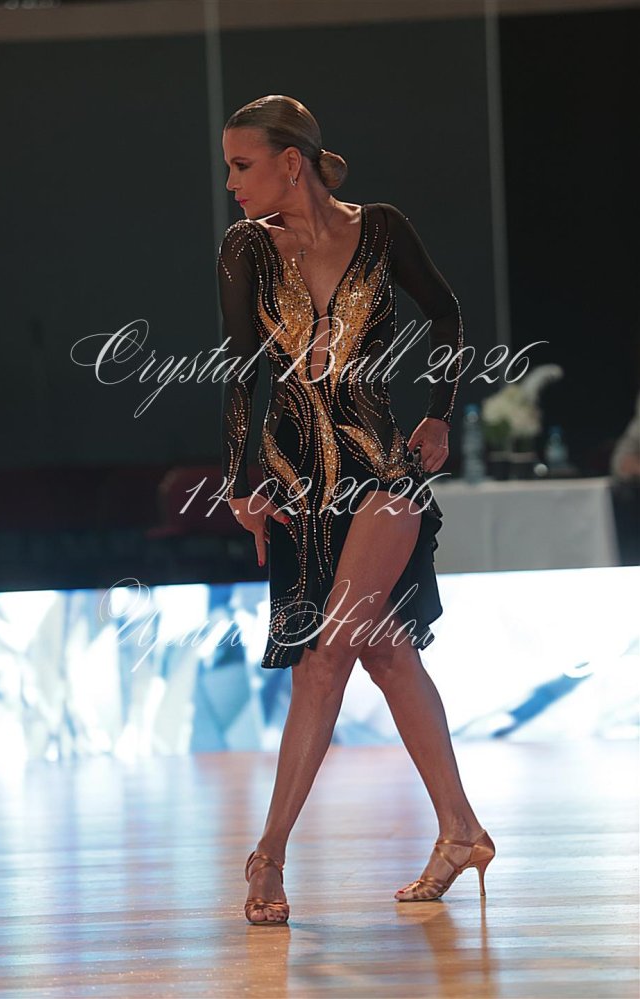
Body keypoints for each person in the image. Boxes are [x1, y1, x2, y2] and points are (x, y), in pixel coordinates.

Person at [217, 95, 495, 925]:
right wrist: (240, 479)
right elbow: (239, 370)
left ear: (289, 162)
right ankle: (462, 830)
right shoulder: (245, 248)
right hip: (297, 481)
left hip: (383, 472)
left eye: (241, 165)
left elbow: (445, 312)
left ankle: (267, 855)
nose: (231, 183)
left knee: (326, 656)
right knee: (386, 652)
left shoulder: (381, 229)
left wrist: (440, 413)